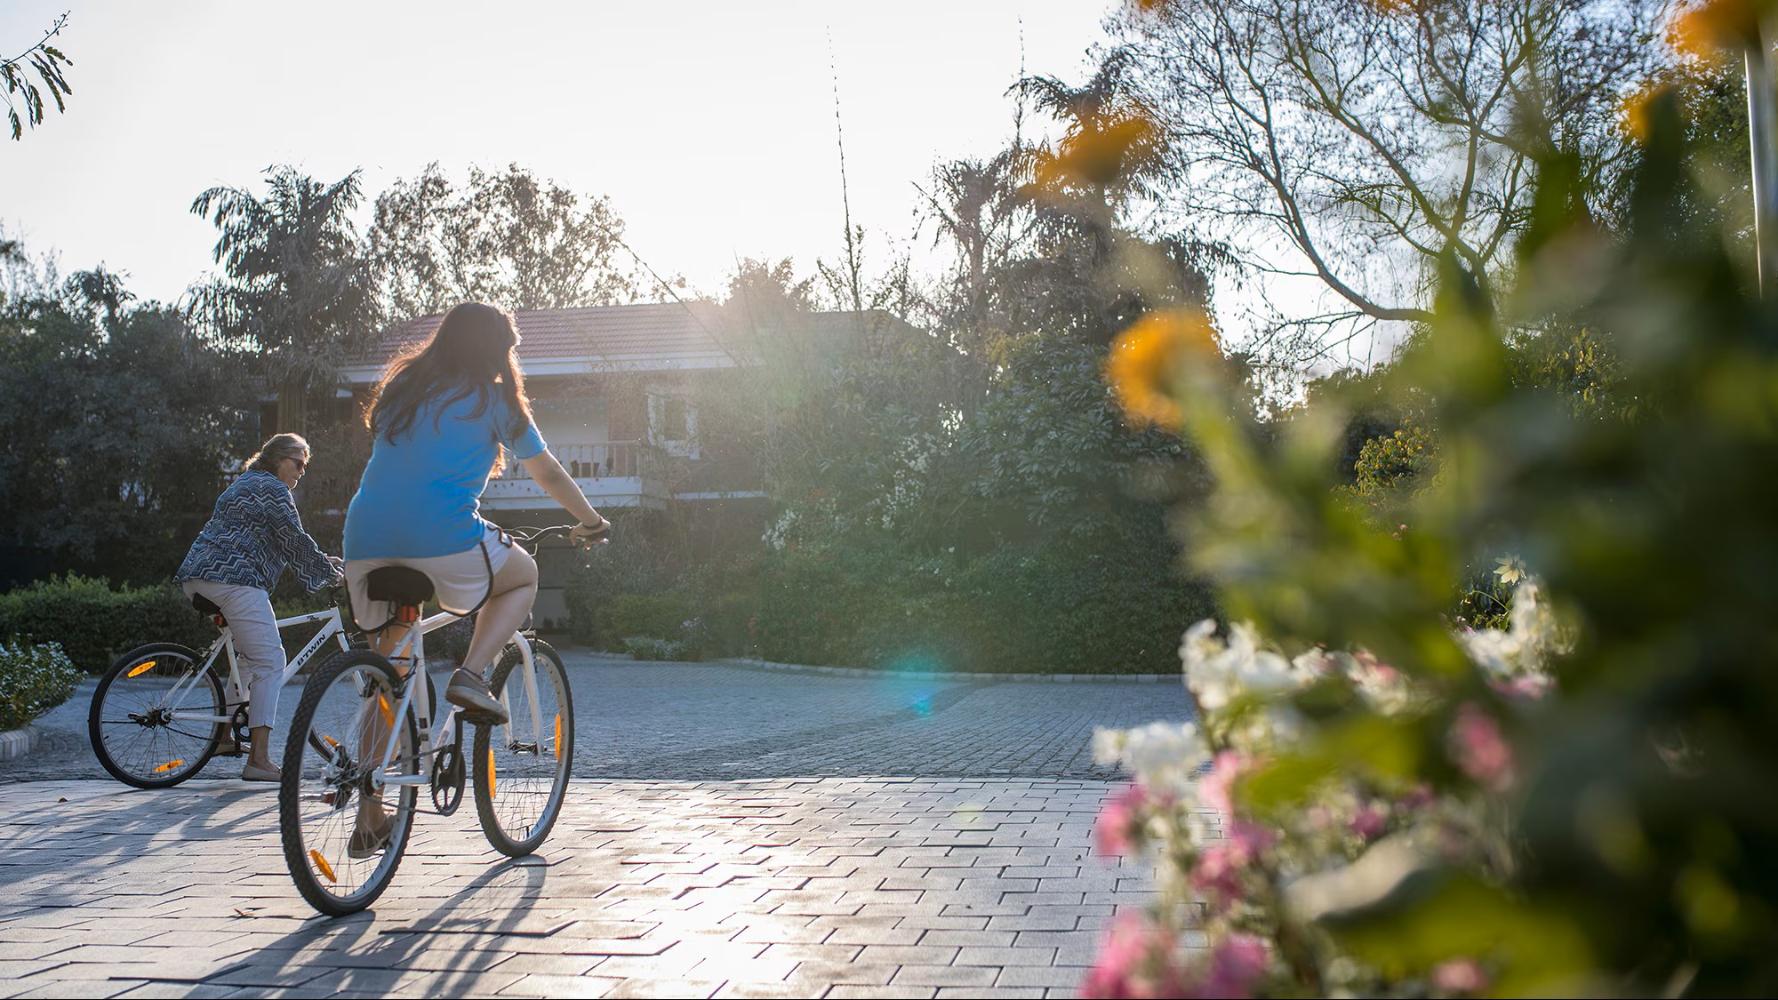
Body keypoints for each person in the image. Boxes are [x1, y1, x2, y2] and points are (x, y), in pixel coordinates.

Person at [342, 302, 608, 854]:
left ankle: (370, 814)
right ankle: (471, 674)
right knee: (521, 577)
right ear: (496, 350)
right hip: (441, 536)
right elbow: (549, 471)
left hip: (364, 540)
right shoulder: (496, 401)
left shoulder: (404, 389)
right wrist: (591, 521)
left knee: (388, 672)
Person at [175, 432, 343, 782]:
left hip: (198, 576)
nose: (301, 471)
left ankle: (224, 737)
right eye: (297, 463)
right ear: (277, 458)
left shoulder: (245, 483)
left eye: (305, 466)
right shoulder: (274, 489)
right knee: (271, 661)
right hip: (234, 580)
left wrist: (321, 561)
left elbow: (277, 539)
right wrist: (331, 576)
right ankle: (260, 760)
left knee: (247, 661)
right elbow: (294, 538)